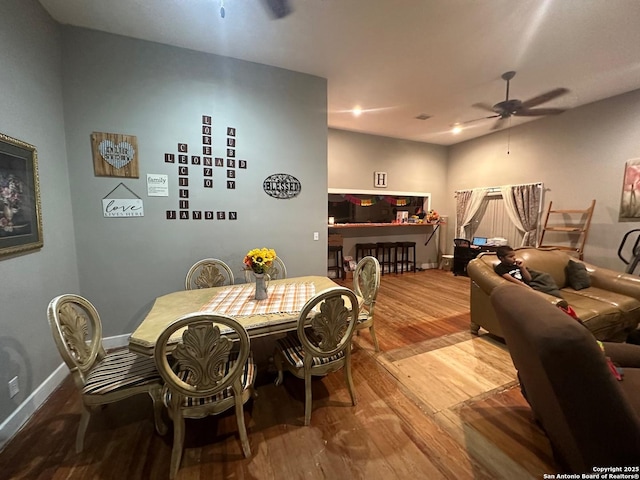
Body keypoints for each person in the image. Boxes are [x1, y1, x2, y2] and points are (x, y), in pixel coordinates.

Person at [494, 246, 572, 311]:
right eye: (510, 257)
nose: (514, 258)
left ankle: (561, 305)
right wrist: (529, 289)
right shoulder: (500, 268)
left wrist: (522, 268)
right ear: (502, 258)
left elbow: (528, 278)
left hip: (529, 286)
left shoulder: (515, 265)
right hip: (519, 288)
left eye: (514, 256)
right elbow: (511, 280)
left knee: (547, 284)